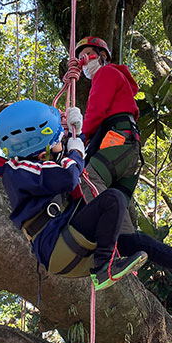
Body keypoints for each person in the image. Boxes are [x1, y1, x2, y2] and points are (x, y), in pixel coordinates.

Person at [0, 99, 172, 292]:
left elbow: (66, 165)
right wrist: (74, 146)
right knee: (114, 199)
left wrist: (76, 131)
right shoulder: (17, 170)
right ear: (39, 142)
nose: (59, 139)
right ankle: (104, 268)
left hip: (71, 241)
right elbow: (68, 174)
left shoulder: (35, 167)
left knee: (140, 242)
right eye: (54, 135)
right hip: (58, 249)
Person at [68, 36, 142, 235]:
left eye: (87, 56)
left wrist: (79, 138)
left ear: (102, 56)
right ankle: (127, 247)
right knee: (116, 203)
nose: (84, 62)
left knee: (87, 179)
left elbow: (96, 112)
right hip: (128, 149)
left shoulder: (106, 73)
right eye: (80, 58)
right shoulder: (117, 80)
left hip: (117, 140)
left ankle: (109, 244)